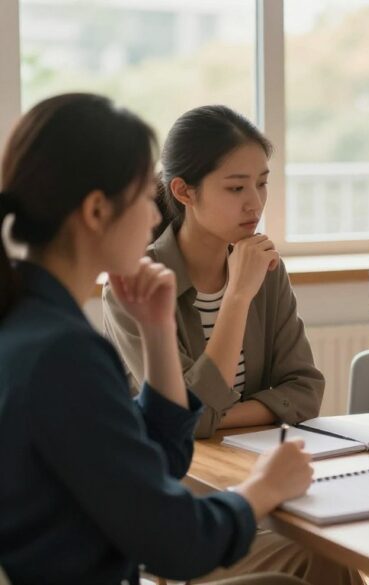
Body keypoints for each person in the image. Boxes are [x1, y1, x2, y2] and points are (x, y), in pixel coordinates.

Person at [0, 93, 312, 584]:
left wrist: (159, 331)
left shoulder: (30, 322)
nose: (153, 217)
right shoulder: (63, 356)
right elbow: (179, 545)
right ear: (97, 211)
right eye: (145, 197)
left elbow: (156, 460)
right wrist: (262, 489)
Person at [102, 105, 324, 440]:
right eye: (236, 188)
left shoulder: (267, 268)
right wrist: (236, 296)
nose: (255, 203)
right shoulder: (134, 286)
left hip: (253, 457)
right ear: (183, 191)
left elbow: (306, 392)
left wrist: (211, 418)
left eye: (262, 183)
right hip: (172, 470)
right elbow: (183, 418)